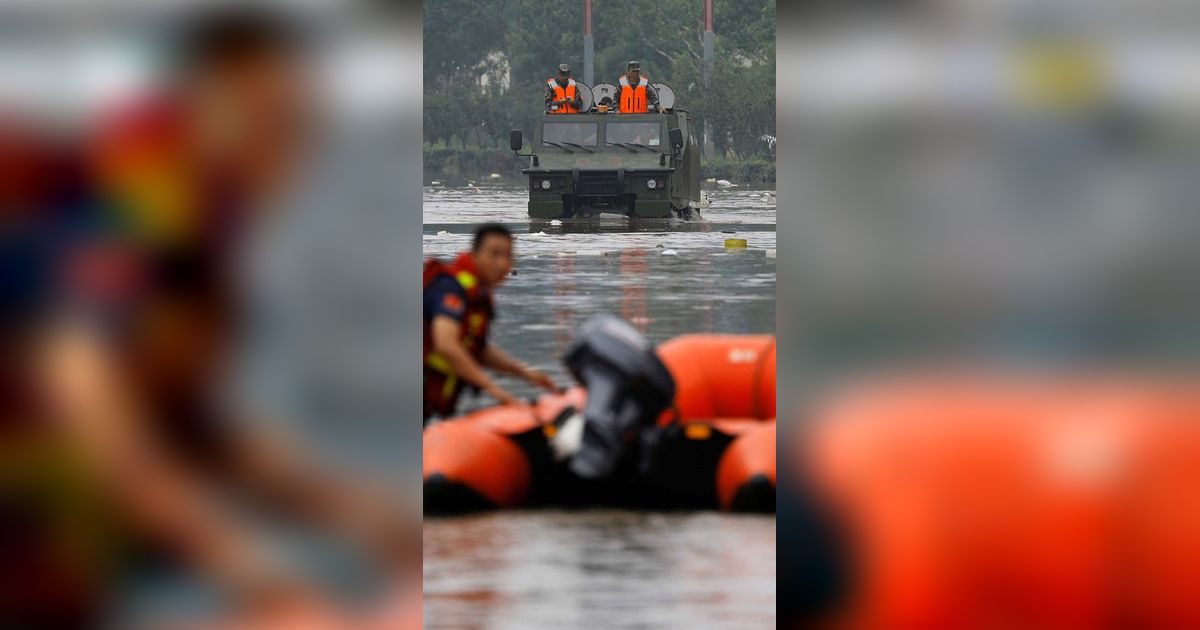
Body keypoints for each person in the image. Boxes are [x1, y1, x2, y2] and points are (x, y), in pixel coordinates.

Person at [25, 7, 415, 626]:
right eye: (263, 120)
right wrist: (232, 555)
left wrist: (353, 509)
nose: (283, 149)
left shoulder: (215, 246)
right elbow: (94, 412)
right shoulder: (126, 222)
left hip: (119, 548)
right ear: (200, 110)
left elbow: (215, 431)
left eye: (295, 126)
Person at [424, 223, 558, 421]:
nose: (502, 264)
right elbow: (447, 344)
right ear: (474, 254)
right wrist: (494, 390)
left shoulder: (479, 297)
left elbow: (477, 347)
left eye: (508, 256)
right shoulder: (450, 287)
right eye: (494, 254)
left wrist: (524, 373)